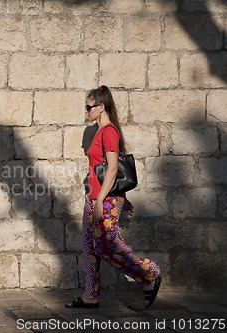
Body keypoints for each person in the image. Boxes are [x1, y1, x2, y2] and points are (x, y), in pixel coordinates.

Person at [65, 86, 161, 309]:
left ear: (101, 107)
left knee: (107, 246)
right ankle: (91, 296)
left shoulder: (109, 132)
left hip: (104, 200)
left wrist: (101, 200)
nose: (86, 111)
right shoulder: (99, 131)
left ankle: (149, 273)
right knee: (89, 247)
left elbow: (112, 168)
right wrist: (120, 197)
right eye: (86, 107)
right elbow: (109, 170)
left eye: (89, 107)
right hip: (94, 198)